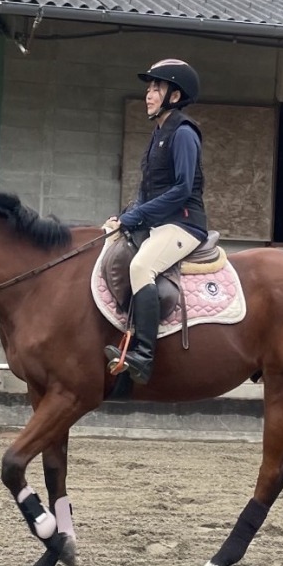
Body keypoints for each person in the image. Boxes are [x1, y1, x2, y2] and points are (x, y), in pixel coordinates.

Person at [104, 58, 208, 385]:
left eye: (156, 88)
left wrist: (137, 216)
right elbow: (147, 188)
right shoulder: (158, 132)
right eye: (148, 88)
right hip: (160, 222)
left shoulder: (184, 133)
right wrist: (124, 217)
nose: (149, 94)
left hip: (184, 224)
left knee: (141, 267)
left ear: (174, 96)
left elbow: (182, 188)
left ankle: (143, 355)